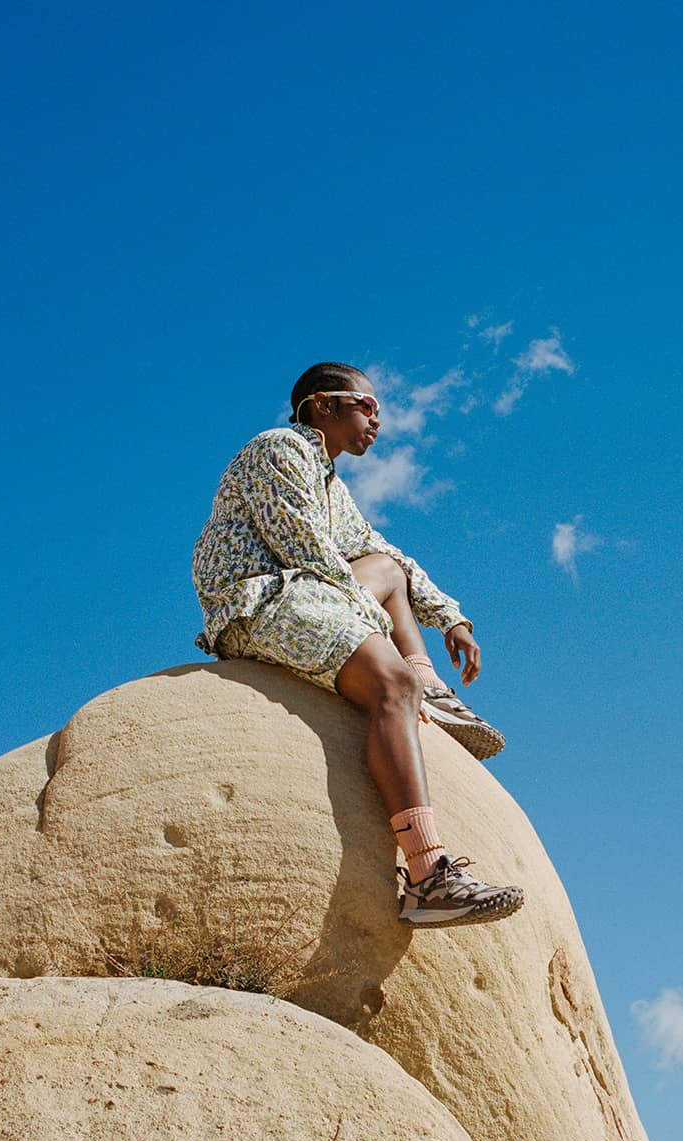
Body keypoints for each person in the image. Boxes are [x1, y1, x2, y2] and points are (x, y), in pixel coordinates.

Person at [191, 361, 523, 928]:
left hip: (305, 595)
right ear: (323, 405)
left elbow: (378, 552)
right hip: (258, 602)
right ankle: (428, 876)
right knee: (390, 683)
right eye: (366, 406)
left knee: (387, 568)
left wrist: (451, 620)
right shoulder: (278, 449)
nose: (378, 420)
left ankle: (425, 681)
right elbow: (305, 551)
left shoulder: (332, 486)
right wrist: (375, 631)